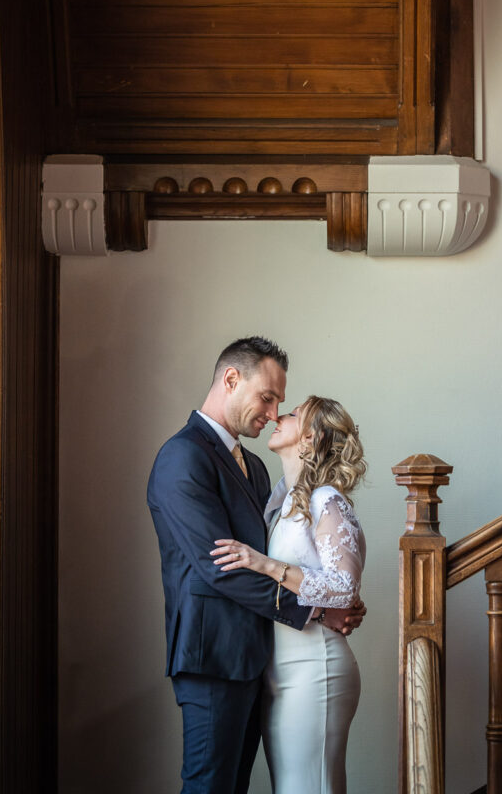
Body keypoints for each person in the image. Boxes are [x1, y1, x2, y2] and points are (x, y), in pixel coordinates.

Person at [147, 337, 365, 794]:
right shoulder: (183, 456)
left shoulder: (259, 470)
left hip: (260, 660)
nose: (271, 412)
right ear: (231, 379)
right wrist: (317, 609)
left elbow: (288, 559)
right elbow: (222, 568)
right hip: (215, 658)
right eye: (267, 397)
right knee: (210, 786)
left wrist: (334, 594)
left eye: (280, 403)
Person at [211, 395, 367, 794]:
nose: (278, 415)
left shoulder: (326, 500)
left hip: (315, 668)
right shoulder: (280, 502)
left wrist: (266, 564)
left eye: (293, 414)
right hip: (280, 669)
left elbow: (344, 586)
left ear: (310, 438)